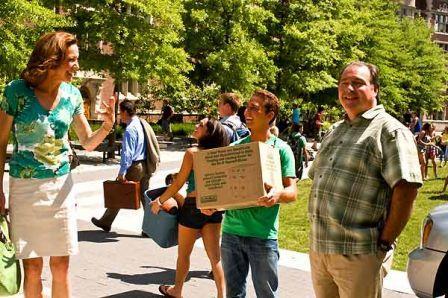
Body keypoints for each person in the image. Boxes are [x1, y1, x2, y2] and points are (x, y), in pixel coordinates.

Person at [0, 32, 115, 297]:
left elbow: (86, 141)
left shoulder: (73, 95)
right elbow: (0, 142)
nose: (76, 66)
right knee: (32, 267)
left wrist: (107, 127)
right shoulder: (16, 91)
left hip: (60, 188)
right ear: (52, 60)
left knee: (61, 265)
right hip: (25, 189)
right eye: (71, 60)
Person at [308, 61, 422, 298]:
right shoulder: (335, 130)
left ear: (375, 89)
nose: (348, 89)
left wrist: (384, 243)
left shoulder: (390, 131)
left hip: (359, 253)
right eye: (344, 83)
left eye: (358, 83)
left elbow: (407, 190)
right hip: (320, 249)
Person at [219, 89, 298, 297]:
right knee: (233, 294)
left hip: (262, 236)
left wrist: (278, 195)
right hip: (231, 233)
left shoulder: (281, 149)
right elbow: (225, 189)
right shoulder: (236, 147)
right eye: (247, 107)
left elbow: (293, 191)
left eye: (254, 108)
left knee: (266, 294)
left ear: (270, 115)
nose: (247, 112)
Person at [150, 117, 229, 298]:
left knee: (184, 254)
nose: (196, 126)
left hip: (193, 207)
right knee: (215, 257)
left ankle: (177, 290)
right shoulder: (222, 154)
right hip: (214, 208)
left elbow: (178, 183)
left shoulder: (193, 153)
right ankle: (221, 295)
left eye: (200, 125)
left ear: (208, 133)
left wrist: (160, 200)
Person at [91, 99, 160, 232]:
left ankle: (106, 222)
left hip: (135, 167)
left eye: (120, 112)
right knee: (145, 197)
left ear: (124, 112)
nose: (119, 115)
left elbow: (127, 153)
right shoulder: (140, 123)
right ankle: (152, 228)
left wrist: (122, 172)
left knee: (119, 192)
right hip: (145, 164)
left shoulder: (130, 129)